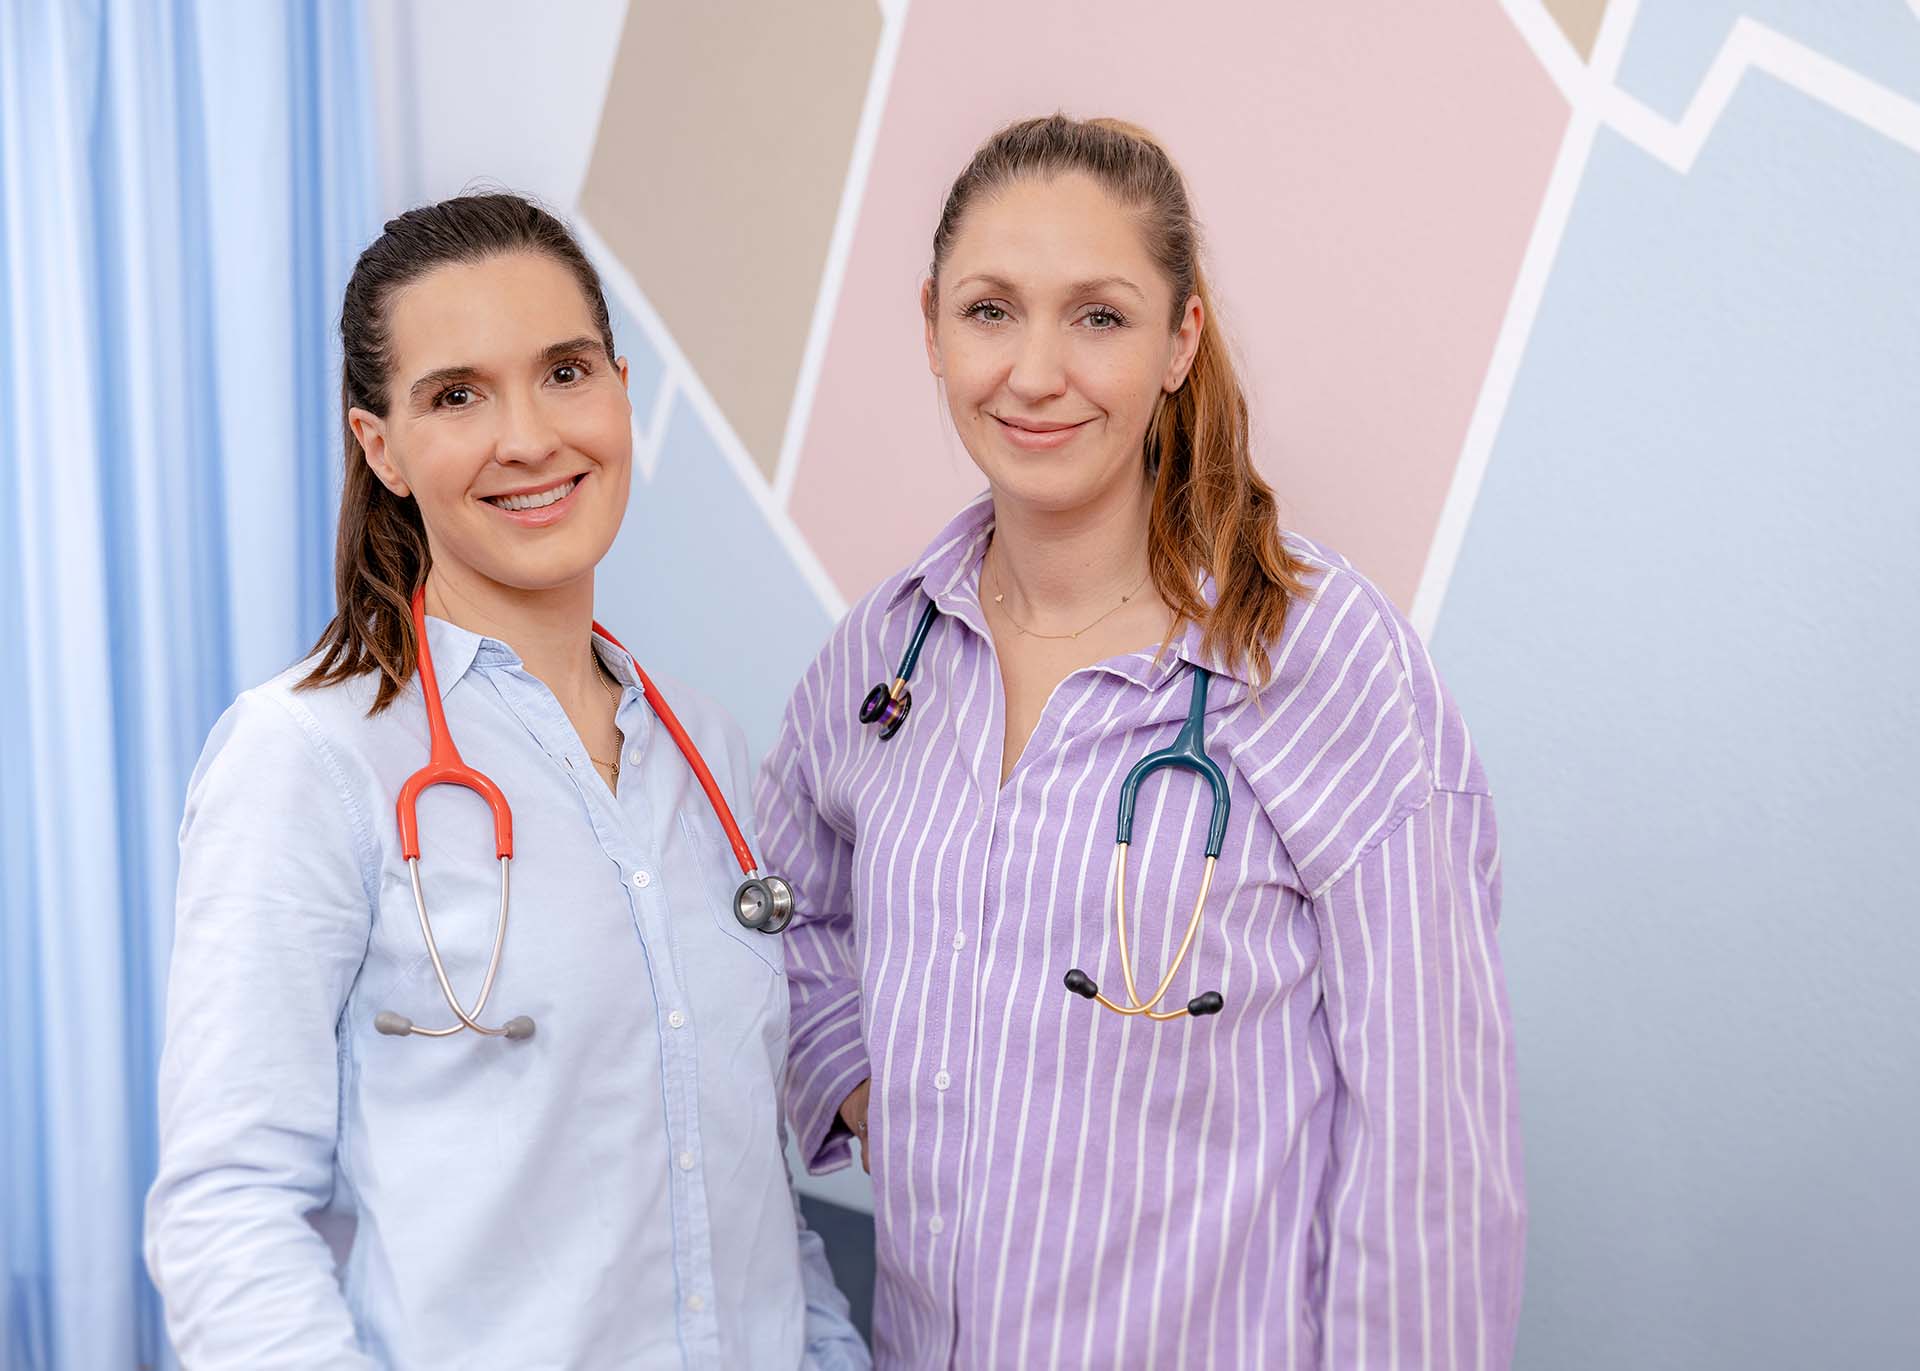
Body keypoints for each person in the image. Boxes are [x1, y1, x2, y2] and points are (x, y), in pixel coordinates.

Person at [757, 116, 1526, 1368]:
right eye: (991, 311)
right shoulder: (886, 653)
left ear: (1180, 341)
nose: (1036, 372)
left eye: (1100, 317)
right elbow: (784, 919)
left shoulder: (1322, 659)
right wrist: (874, 1091)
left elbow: (1430, 1156)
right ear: (933, 328)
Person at [145, 193, 868, 1371]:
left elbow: (740, 1172)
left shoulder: (708, 752)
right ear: (381, 446)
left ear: (620, 391)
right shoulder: (308, 759)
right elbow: (227, 1210)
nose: (528, 438)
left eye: (565, 373)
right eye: (457, 396)